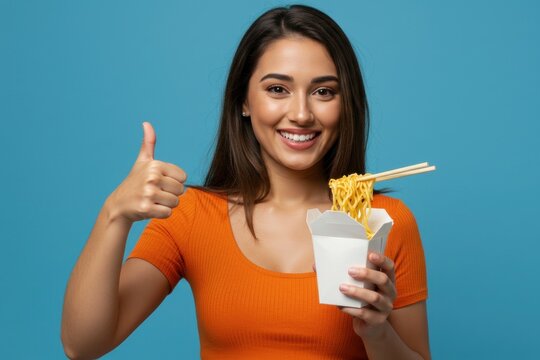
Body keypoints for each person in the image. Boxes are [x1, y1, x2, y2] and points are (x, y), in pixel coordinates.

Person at [61, 5, 430, 359]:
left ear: (345, 103)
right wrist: (114, 215)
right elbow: (83, 345)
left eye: (323, 92)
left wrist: (377, 331)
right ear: (243, 101)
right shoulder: (192, 217)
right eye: (277, 89)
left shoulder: (384, 220)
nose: (301, 114)